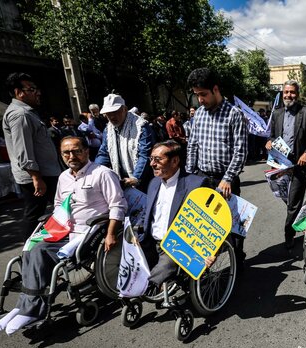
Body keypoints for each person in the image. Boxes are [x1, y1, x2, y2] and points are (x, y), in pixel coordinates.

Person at [0, 136, 126, 334]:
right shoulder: (64, 177)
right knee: (30, 246)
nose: (71, 156)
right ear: (61, 155)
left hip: (88, 232)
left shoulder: (102, 174)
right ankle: (22, 306)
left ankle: (31, 310)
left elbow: (118, 205)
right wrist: (51, 225)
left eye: (76, 151)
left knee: (40, 251)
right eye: (66, 152)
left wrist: (110, 233)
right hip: (64, 228)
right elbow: (58, 204)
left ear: (86, 151)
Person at [185, 67, 248, 262]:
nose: (200, 100)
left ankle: (237, 261)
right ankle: (203, 269)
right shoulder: (199, 115)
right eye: (197, 95)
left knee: (233, 227)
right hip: (202, 179)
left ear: (215, 89)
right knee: (203, 227)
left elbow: (241, 151)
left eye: (203, 94)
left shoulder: (234, 114)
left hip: (226, 181)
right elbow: (193, 145)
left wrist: (228, 178)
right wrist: (190, 175)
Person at [142, 140, 213, 286]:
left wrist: (210, 251)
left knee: (149, 280)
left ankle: (144, 288)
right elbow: (146, 214)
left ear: (175, 161)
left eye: (158, 159)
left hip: (176, 246)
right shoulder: (154, 183)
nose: (152, 164)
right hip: (150, 241)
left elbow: (209, 222)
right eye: (151, 159)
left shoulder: (196, 185)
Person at [2, 72, 62, 238]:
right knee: (37, 215)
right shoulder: (20, 115)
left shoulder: (27, 113)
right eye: (31, 89)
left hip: (44, 174)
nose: (38, 92)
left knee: (55, 210)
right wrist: (36, 178)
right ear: (18, 92)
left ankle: (41, 251)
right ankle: (28, 256)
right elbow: (23, 150)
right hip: (38, 176)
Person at [267, 79, 306, 251]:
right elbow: (272, 136)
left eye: (292, 92)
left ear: (297, 94)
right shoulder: (277, 113)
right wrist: (268, 143)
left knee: (293, 203)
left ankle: (288, 235)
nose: (289, 95)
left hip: (298, 166)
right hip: (280, 166)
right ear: (282, 94)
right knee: (287, 199)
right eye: (286, 92)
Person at [95, 93, 155, 191]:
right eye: (108, 114)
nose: (112, 117)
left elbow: (145, 154)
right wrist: (94, 171)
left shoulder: (141, 126)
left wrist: (136, 178)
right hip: (121, 178)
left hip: (142, 179)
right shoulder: (108, 129)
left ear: (125, 109)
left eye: (115, 112)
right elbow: (104, 153)